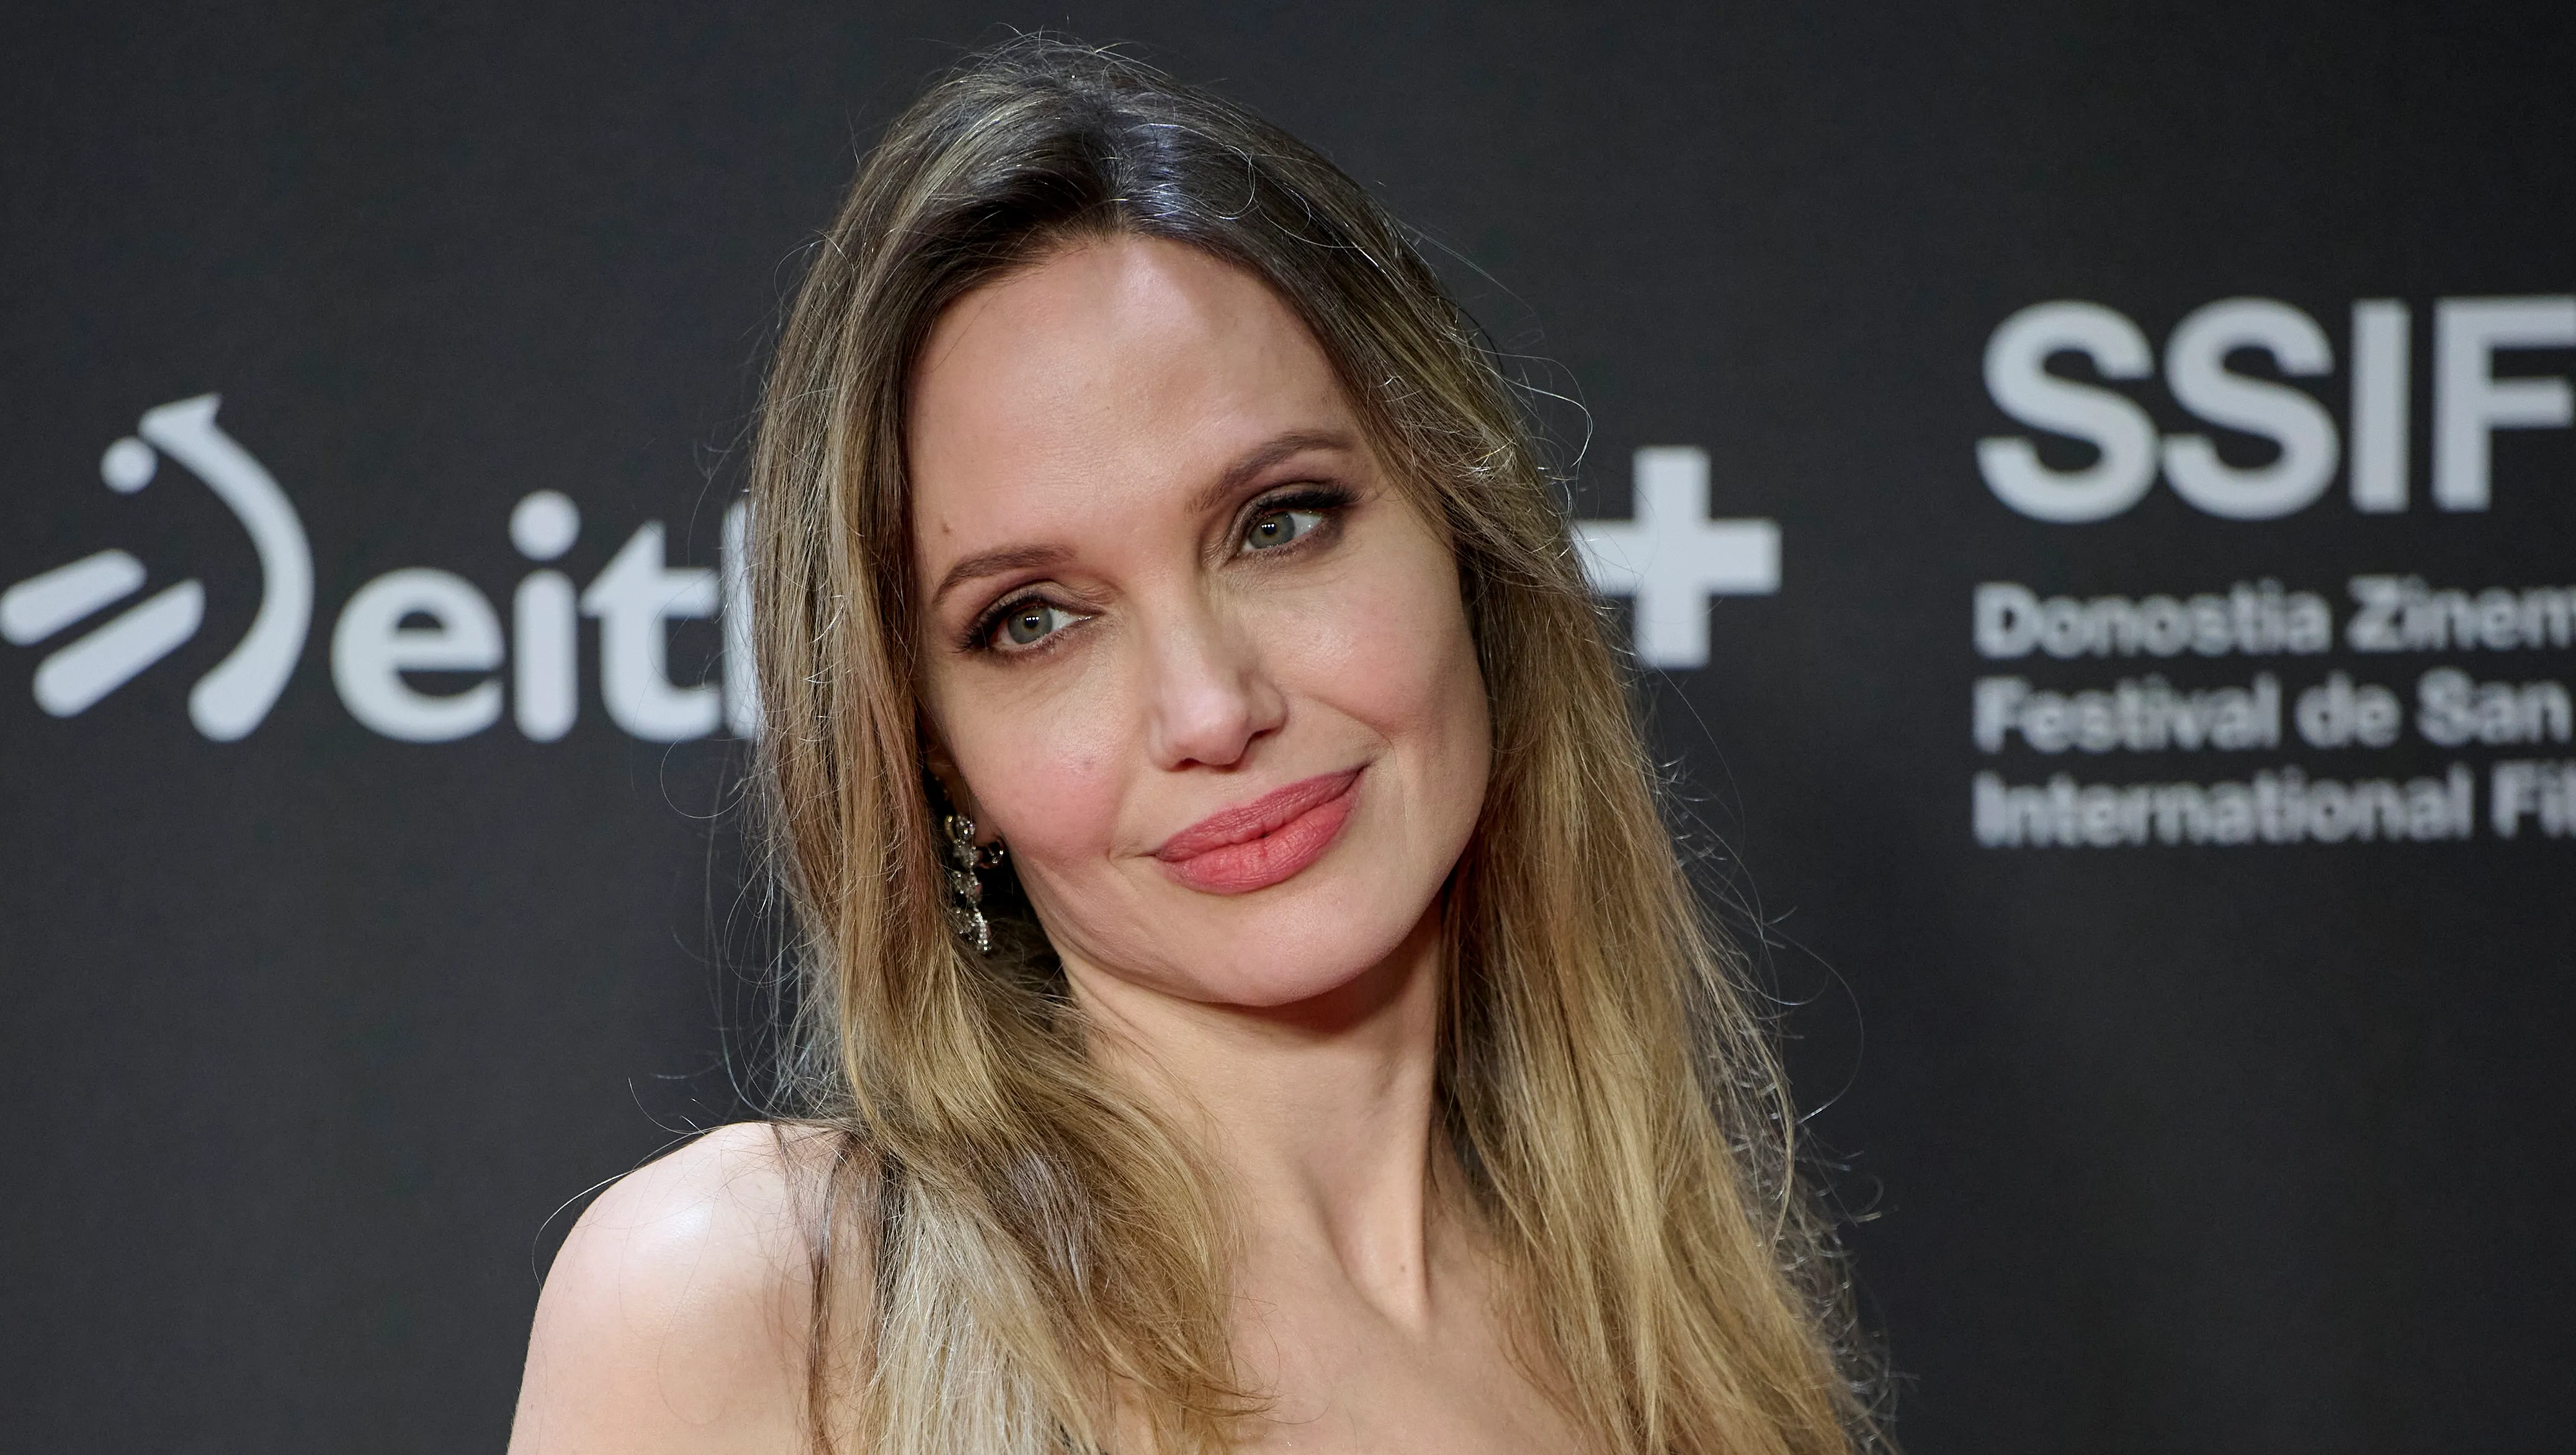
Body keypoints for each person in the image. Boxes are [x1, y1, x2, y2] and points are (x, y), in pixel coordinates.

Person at [509, 37, 1881, 1455]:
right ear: (929, 759)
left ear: (1463, 535)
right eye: (1031, 620)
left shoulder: (1684, 1360)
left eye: (1278, 521)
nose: (1212, 708)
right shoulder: (760, 1304)